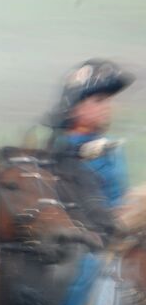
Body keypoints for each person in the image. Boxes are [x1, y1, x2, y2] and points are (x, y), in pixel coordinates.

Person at [46, 58, 134, 215]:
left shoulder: (110, 146)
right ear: (75, 108)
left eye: (108, 100)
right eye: (99, 100)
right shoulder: (58, 152)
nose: (107, 107)